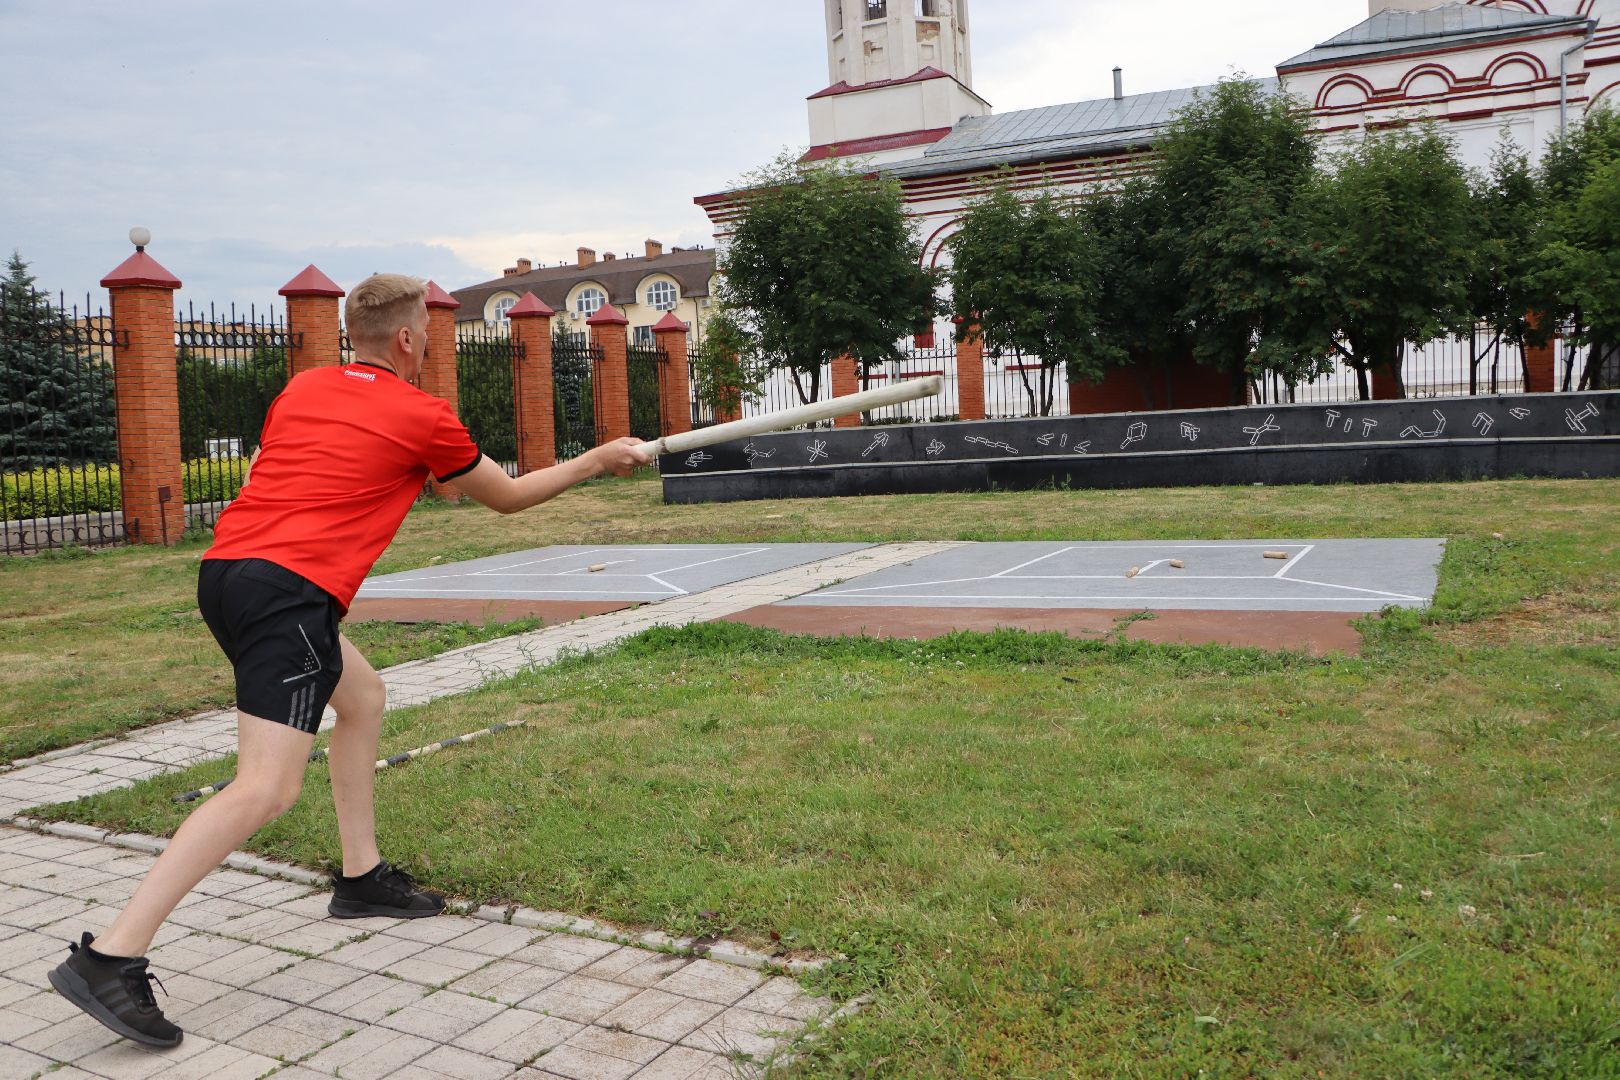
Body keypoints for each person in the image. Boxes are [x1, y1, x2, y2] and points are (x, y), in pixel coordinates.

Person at [48, 274, 648, 1047]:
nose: (427, 344)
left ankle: (362, 878)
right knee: (266, 787)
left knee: (361, 699)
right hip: (289, 595)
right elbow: (506, 496)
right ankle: (111, 956)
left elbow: (286, 472)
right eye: (426, 334)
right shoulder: (422, 414)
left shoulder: (302, 389)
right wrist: (598, 458)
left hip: (226, 574)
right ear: (407, 338)